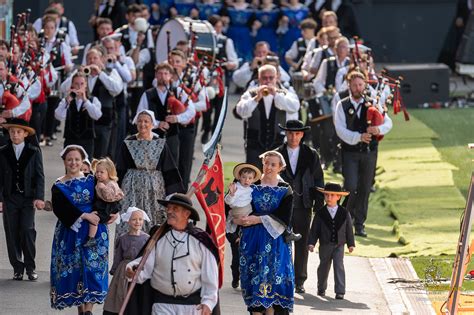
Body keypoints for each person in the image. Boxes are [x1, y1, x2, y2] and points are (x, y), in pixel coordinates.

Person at [125, 193, 219, 315]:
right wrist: (131, 269)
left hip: (193, 306)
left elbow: (210, 274)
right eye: (168, 208)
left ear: (187, 214)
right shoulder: (159, 238)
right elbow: (144, 266)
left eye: (175, 209)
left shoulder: (201, 240)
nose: (169, 211)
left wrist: (208, 302)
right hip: (162, 304)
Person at [50, 145, 113, 313]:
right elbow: (60, 209)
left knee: (93, 269)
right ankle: (81, 309)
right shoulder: (58, 186)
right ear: (64, 161)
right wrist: (84, 216)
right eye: (70, 159)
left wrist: (110, 213)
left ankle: (88, 310)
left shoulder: (92, 180)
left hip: (95, 231)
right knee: (76, 270)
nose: (73, 163)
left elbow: (106, 198)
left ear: (82, 161)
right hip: (71, 232)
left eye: (77, 159)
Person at [334, 71, 393, 237]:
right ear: (349, 86)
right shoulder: (342, 105)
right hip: (350, 152)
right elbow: (340, 129)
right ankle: (346, 218)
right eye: (354, 85)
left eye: (360, 85)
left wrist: (378, 129)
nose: (358, 88)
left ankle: (359, 224)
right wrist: (358, 137)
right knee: (351, 186)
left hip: (369, 152)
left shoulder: (373, 103)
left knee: (365, 188)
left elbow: (388, 122)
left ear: (365, 85)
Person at [237, 151, 294, 315]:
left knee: (275, 282)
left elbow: (285, 217)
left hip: (276, 241)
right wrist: (237, 218)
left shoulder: (285, 189)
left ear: (280, 168)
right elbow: (234, 206)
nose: (268, 167)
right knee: (253, 279)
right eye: (266, 163)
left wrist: (258, 219)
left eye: (273, 164)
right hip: (252, 240)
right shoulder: (249, 183)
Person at [115, 110, 184, 236]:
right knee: (131, 218)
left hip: (154, 188)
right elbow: (120, 168)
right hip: (131, 188)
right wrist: (115, 188)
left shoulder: (160, 143)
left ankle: (152, 250)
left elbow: (169, 168)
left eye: (146, 121)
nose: (143, 124)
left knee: (154, 219)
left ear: (152, 124)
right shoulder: (128, 142)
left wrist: (172, 194)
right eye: (140, 121)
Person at [276, 119, 324, 294]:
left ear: (302, 135)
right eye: (290, 133)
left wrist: (319, 203)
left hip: (304, 204)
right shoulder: (277, 153)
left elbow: (318, 178)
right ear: (286, 134)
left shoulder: (311, 154)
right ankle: (280, 277)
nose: (293, 137)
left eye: (297, 133)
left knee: (302, 243)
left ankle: (299, 280)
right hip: (282, 205)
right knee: (280, 241)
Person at [0, 119, 45, 281]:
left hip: (28, 199)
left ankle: (30, 266)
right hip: (9, 198)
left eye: (19, 132)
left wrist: (39, 197)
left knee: (27, 230)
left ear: (26, 134)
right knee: (11, 232)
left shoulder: (33, 151)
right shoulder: (3, 151)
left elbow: (40, 176)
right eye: (12, 131)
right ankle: (17, 268)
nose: (15, 135)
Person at [236, 64, 300, 169]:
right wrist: (256, 99)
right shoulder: (251, 94)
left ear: (276, 78)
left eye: (271, 78)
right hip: (254, 144)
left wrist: (276, 95)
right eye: (264, 78)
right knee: (253, 176)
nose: (268, 81)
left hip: (277, 144)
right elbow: (240, 111)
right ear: (259, 78)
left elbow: (295, 106)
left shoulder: (284, 93)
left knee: (275, 178)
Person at [307, 182, 355, 300]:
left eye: (332, 195)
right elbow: (314, 229)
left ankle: (340, 291)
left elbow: (349, 229)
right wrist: (311, 242)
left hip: (339, 245)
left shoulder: (344, 213)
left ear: (339, 197)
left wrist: (351, 244)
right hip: (324, 245)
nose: (329, 197)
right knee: (324, 266)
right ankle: (321, 288)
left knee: (339, 265)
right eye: (327, 195)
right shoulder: (320, 213)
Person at [103, 207, 150, 315]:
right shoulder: (123, 238)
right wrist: (114, 270)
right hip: (123, 270)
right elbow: (118, 256)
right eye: (134, 219)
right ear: (128, 221)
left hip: (139, 269)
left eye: (140, 219)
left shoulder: (147, 238)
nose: (137, 222)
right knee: (120, 294)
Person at [55, 71, 102, 158]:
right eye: (76, 84)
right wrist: (66, 101)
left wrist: (85, 100)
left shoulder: (93, 100)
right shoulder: (66, 100)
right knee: (70, 168)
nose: (79, 86)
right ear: (72, 85)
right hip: (70, 140)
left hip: (87, 141)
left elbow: (97, 115)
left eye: (82, 84)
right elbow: (58, 116)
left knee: (86, 169)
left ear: (86, 85)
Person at [84, 157, 124, 247]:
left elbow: (110, 197)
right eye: (97, 172)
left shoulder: (111, 184)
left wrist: (104, 188)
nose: (98, 174)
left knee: (94, 219)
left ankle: (91, 238)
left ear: (109, 172)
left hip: (107, 207)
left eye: (102, 172)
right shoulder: (99, 181)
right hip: (102, 205)